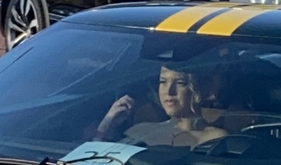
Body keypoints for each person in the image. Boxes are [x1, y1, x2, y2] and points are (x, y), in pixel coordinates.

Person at [94, 63, 227, 150]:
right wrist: (107, 123)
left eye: (180, 83)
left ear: (199, 89)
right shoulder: (139, 131)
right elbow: (96, 162)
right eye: (163, 82)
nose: (169, 91)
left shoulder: (214, 137)